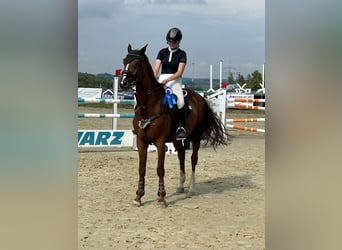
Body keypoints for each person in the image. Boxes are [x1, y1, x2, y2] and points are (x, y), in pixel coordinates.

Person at [153, 27, 187, 140]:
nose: (172, 44)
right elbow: (156, 68)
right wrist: (154, 79)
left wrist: (167, 80)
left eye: (174, 42)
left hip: (175, 80)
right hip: (161, 79)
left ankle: (180, 127)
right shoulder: (162, 52)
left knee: (180, 102)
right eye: (170, 41)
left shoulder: (182, 54)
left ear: (178, 42)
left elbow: (179, 72)